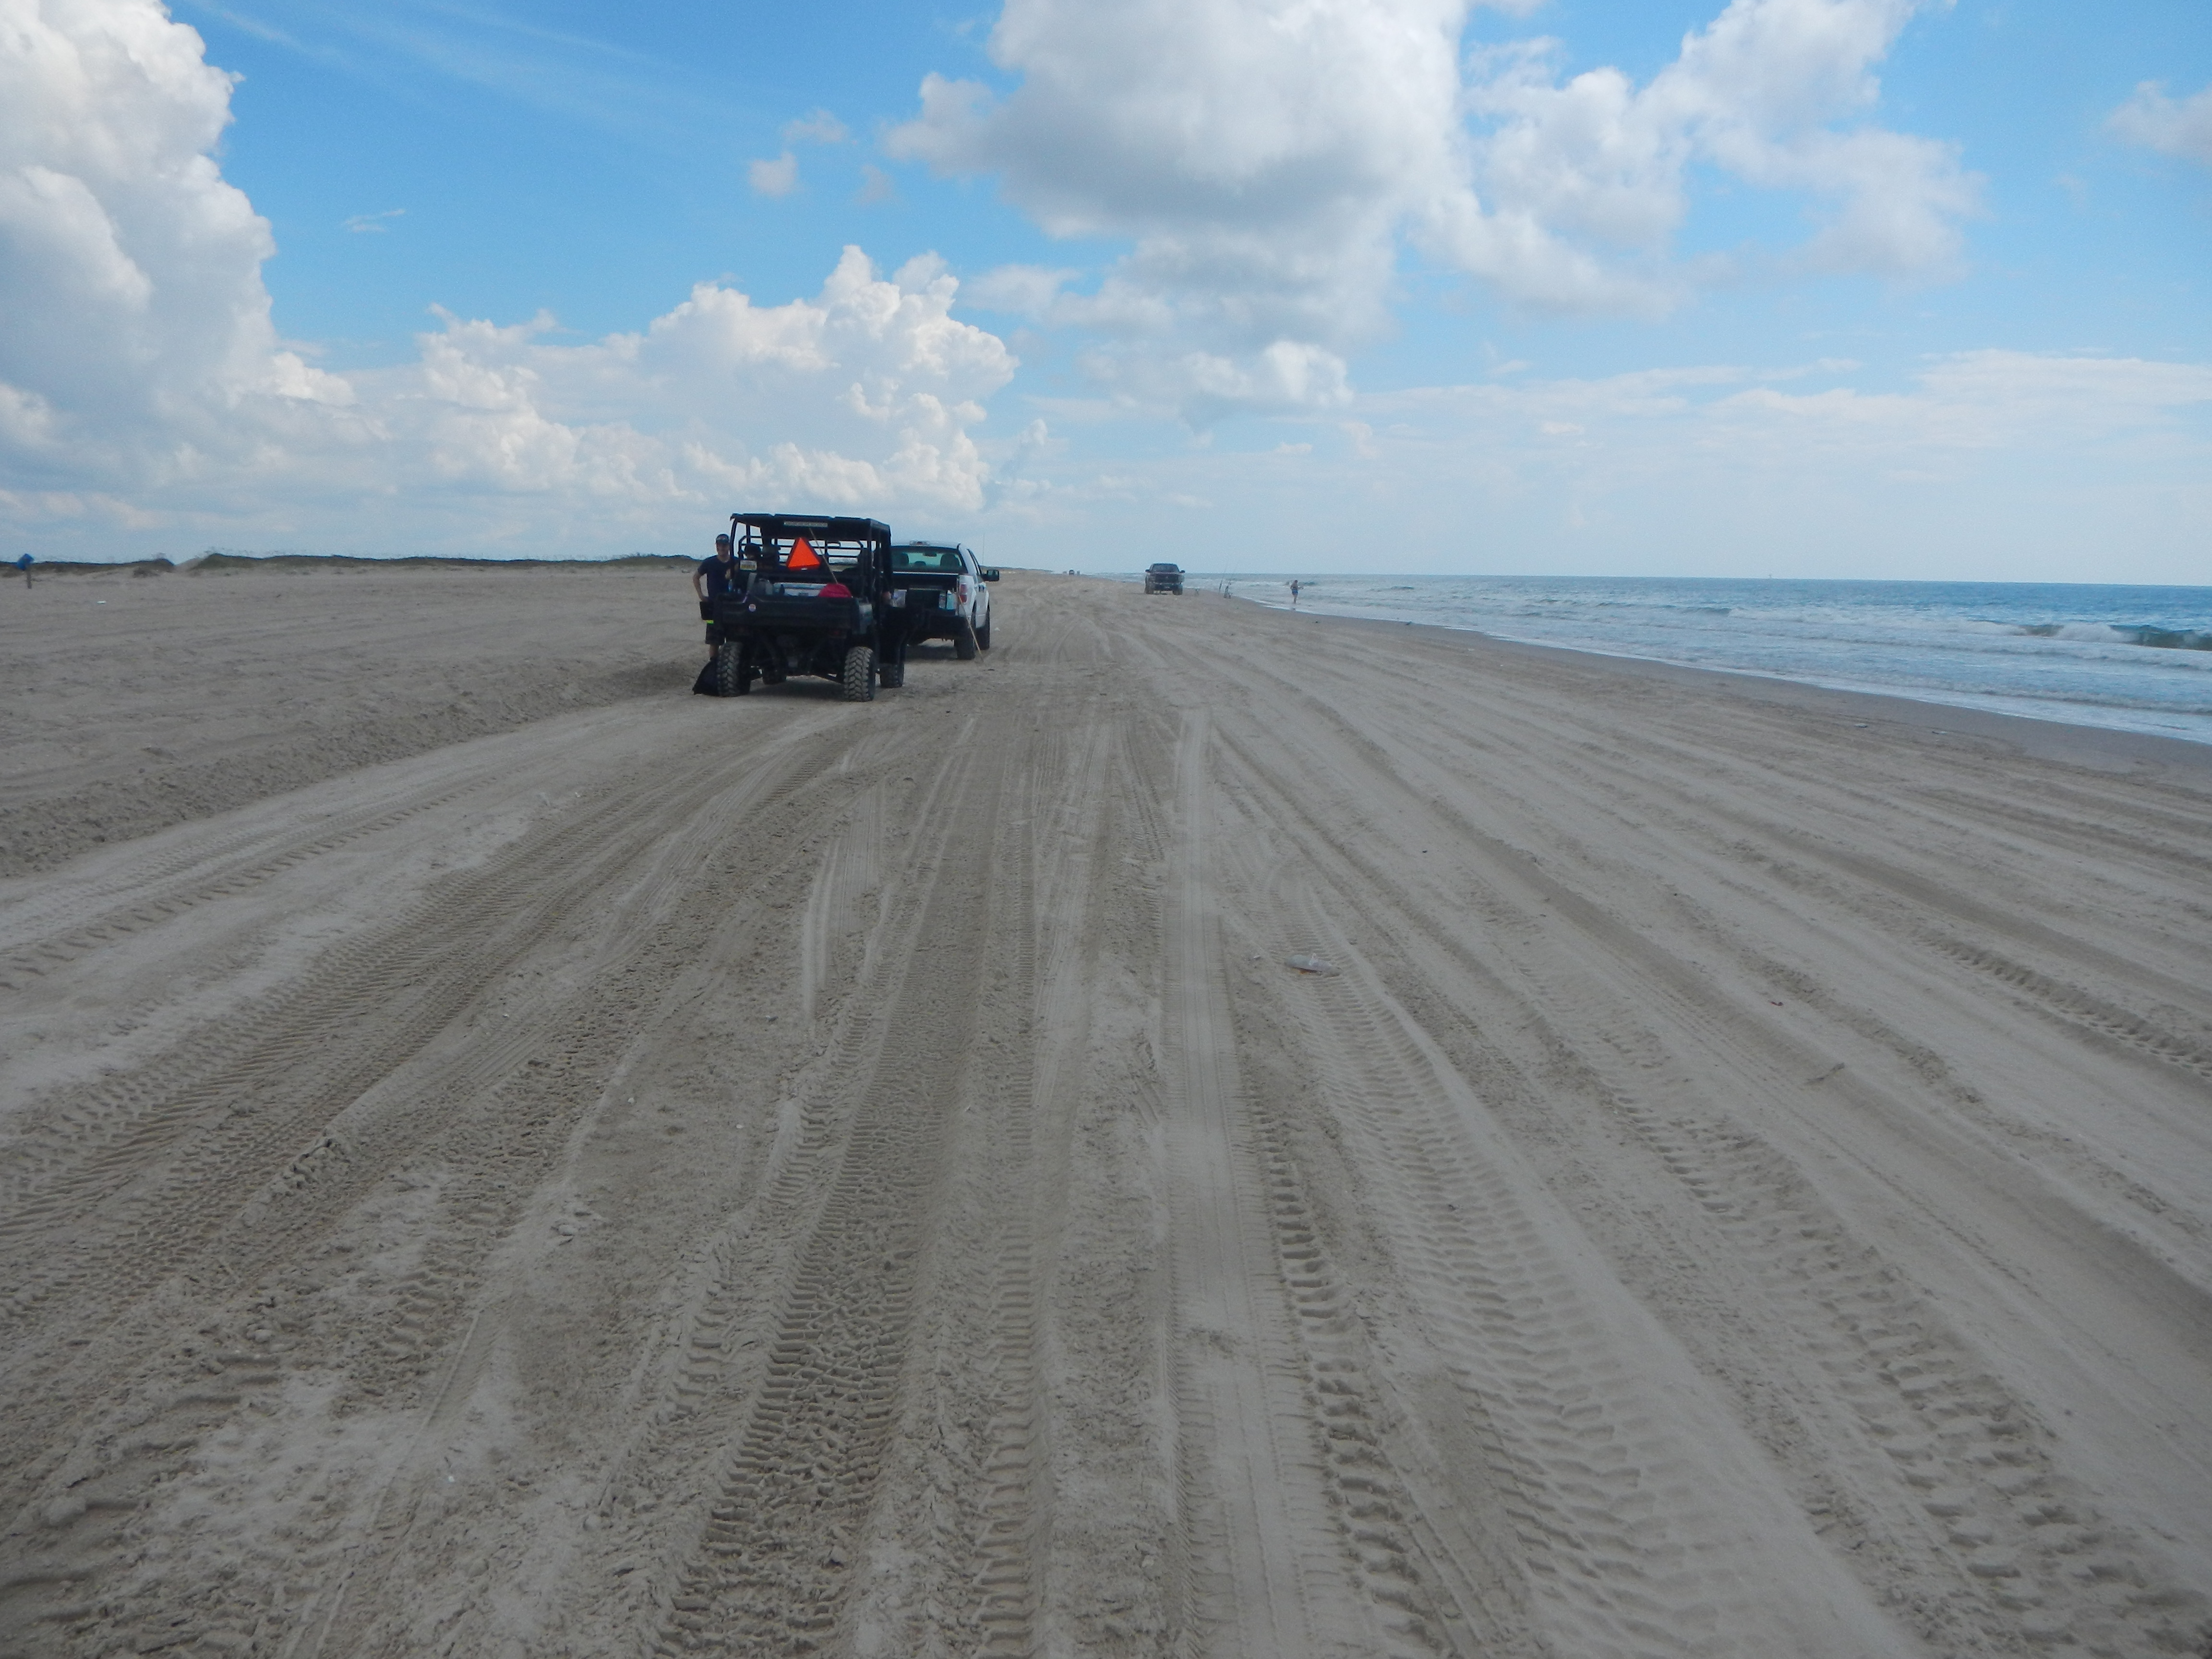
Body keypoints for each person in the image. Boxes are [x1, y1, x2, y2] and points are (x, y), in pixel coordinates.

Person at [693, 533, 742, 666]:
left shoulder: (736, 562)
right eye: (719, 545)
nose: (722, 548)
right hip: (713, 606)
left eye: (725, 545)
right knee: (714, 640)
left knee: (735, 639)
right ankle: (713, 665)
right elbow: (696, 577)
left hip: (733, 606)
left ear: (729, 546)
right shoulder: (709, 562)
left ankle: (733, 666)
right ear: (716, 546)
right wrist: (701, 596)